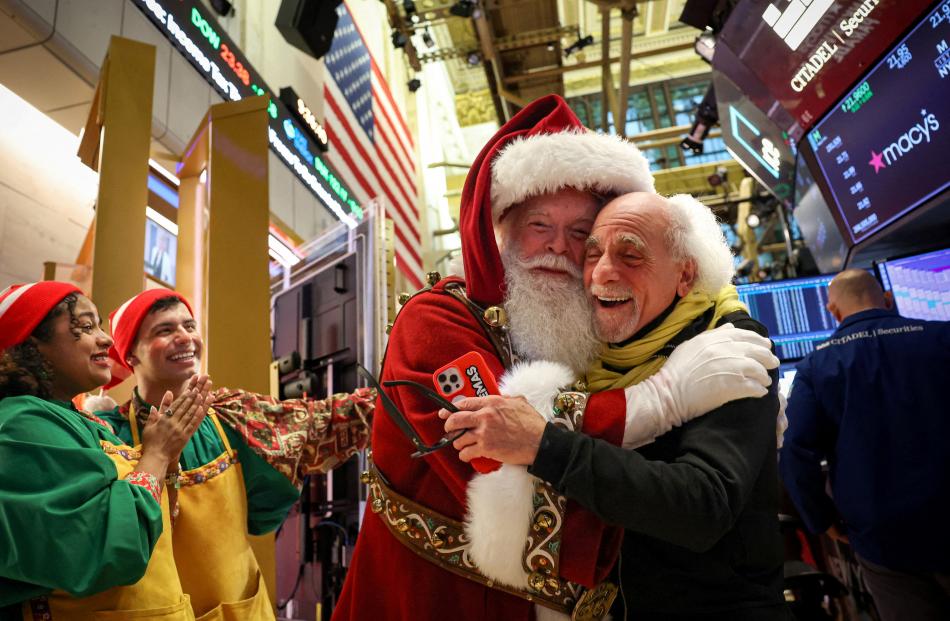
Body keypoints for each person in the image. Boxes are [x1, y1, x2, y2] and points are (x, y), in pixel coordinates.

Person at [333, 95, 780, 621]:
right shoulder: (438, 319)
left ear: (682, 271)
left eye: (580, 236)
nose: (560, 250)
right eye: (539, 226)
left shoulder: (640, 336)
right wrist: (664, 397)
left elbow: (699, 500)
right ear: (500, 229)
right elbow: (498, 450)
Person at [444, 191, 790, 620]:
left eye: (631, 255)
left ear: (685, 275)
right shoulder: (591, 355)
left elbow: (704, 505)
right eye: (592, 253)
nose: (602, 272)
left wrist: (545, 446)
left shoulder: (729, 346)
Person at [92, 288, 374, 620]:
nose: (185, 338)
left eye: (189, 326)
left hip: (240, 610)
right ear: (131, 356)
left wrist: (402, 393)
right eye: (165, 330)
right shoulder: (107, 436)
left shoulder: (232, 414)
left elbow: (324, 420)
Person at [0, 281, 210, 620]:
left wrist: (168, 457)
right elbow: (108, 551)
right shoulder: (23, 424)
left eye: (99, 325)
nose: (106, 339)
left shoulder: (81, 420)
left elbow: (156, 530)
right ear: (33, 345)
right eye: (84, 327)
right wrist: (155, 454)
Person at [779, 269, 950, 621]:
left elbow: (795, 454)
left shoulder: (816, 366)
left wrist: (822, 520)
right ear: (887, 298)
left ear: (833, 311)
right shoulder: (941, 337)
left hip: (883, 539)